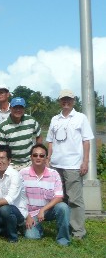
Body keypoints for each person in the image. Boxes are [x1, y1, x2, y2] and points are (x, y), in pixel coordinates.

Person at [46, 89, 94, 240]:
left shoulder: (80, 118)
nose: (66, 102)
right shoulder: (55, 119)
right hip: (56, 165)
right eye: (63, 100)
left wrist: (85, 161)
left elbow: (86, 141)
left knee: (74, 199)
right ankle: (64, 226)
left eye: (69, 99)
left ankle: (78, 231)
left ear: (74, 101)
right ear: (60, 101)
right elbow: (50, 141)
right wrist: (48, 159)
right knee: (59, 198)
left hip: (73, 165)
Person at [21, 143, 70, 246]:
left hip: (48, 210)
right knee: (31, 236)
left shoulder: (54, 174)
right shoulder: (22, 173)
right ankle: (37, 228)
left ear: (46, 158)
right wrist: (27, 215)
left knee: (63, 207)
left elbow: (59, 197)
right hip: (31, 213)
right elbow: (19, 198)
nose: (38, 158)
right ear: (31, 157)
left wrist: (43, 210)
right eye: (35, 155)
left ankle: (63, 240)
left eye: (41, 155)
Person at [0, 97, 42, 170]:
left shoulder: (31, 120)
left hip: (30, 163)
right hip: (12, 165)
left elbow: (39, 135)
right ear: (10, 108)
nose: (18, 110)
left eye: (21, 107)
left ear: (24, 109)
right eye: (15, 107)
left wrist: (37, 153)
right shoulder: (2, 127)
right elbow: (2, 151)